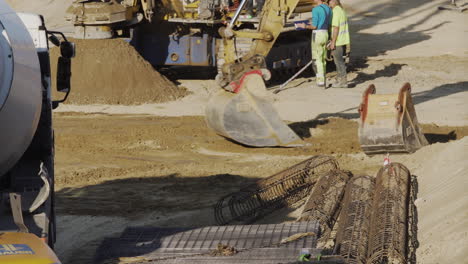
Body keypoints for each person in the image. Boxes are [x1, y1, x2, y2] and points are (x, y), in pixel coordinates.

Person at [296, 0, 332, 88]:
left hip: (318, 35)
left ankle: (320, 81)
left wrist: (304, 26)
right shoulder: (328, 9)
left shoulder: (316, 9)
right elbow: (328, 23)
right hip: (325, 33)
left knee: (318, 59)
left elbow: (314, 26)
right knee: (323, 58)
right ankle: (323, 78)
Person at [328, 0, 350, 88]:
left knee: (339, 62)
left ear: (334, 1)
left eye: (329, 1)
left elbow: (336, 28)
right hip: (342, 39)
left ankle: (343, 81)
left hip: (338, 41)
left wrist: (333, 42)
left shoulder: (336, 12)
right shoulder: (341, 10)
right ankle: (339, 79)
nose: (329, 3)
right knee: (339, 61)